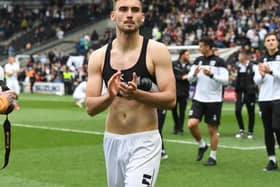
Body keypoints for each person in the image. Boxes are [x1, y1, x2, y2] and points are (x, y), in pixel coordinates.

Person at [85, 0, 176, 186]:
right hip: (113, 140)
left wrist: (138, 95)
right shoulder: (98, 57)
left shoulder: (157, 51)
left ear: (142, 17)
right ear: (113, 16)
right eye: (123, 9)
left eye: (135, 10)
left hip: (145, 140)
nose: (129, 14)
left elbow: (171, 99)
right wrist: (110, 95)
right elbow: (90, 107)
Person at [187, 37, 229, 166]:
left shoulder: (220, 62)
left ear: (208, 47)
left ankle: (213, 157)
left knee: (212, 130)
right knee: (191, 124)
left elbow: (226, 81)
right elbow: (190, 79)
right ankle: (202, 144)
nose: (199, 48)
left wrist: (211, 75)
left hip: (214, 100)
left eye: (201, 46)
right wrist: (193, 74)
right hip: (199, 98)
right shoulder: (198, 61)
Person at [254, 32, 280, 171]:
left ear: (277, 42)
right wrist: (262, 75)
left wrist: (271, 72)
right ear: (265, 44)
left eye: (273, 40)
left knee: (277, 127)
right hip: (264, 98)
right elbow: (256, 80)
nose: (271, 42)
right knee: (268, 130)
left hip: (278, 98)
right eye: (268, 40)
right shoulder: (261, 59)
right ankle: (272, 160)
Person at [234, 50, 257, 139]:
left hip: (250, 93)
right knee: (237, 110)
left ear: (244, 56)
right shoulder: (239, 67)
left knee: (251, 113)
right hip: (240, 93)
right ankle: (241, 130)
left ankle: (250, 131)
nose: (238, 57)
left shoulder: (253, 66)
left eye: (240, 55)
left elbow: (257, 79)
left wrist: (253, 88)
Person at [172, 49, 191, 135]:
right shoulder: (174, 64)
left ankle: (180, 129)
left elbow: (191, 76)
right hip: (175, 91)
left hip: (184, 91)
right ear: (182, 55)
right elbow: (171, 75)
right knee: (174, 110)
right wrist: (182, 77)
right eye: (187, 54)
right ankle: (176, 125)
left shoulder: (190, 66)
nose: (188, 56)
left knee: (182, 111)